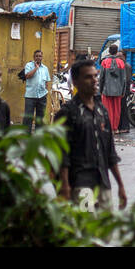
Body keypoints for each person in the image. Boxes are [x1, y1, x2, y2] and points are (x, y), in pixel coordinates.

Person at [55, 58, 127, 211]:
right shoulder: (68, 113)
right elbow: (61, 154)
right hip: (81, 186)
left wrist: (120, 185)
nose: (94, 80)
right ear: (75, 82)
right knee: (86, 229)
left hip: (103, 183)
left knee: (106, 230)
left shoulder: (101, 110)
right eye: (88, 77)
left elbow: (110, 152)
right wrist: (65, 185)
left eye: (95, 76)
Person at [98, 43, 128, 134]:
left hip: (106, 90)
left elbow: (101, 78)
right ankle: (115, 128)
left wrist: (101, 90)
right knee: (117, 110)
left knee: (107, 109)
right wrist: (123, 91)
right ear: (116, 51)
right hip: (118, 90)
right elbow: (124, 79)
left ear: (109, 51)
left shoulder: (104, 62)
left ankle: (109, 127)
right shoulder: (121, 63)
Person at [20, 48, 50, 133]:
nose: (38, 57)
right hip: (30, 96)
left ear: (42, 57)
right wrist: (36, 68)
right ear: (34, 57)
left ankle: (38, 135)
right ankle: (26, 136)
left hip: (42, 96)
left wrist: (45, 92)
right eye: (36, 56)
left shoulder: (45, 68)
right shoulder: (29, 65)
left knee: (40, 117)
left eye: (40, 56)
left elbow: (47, 81)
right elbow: (27, 76)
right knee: (28, 117)